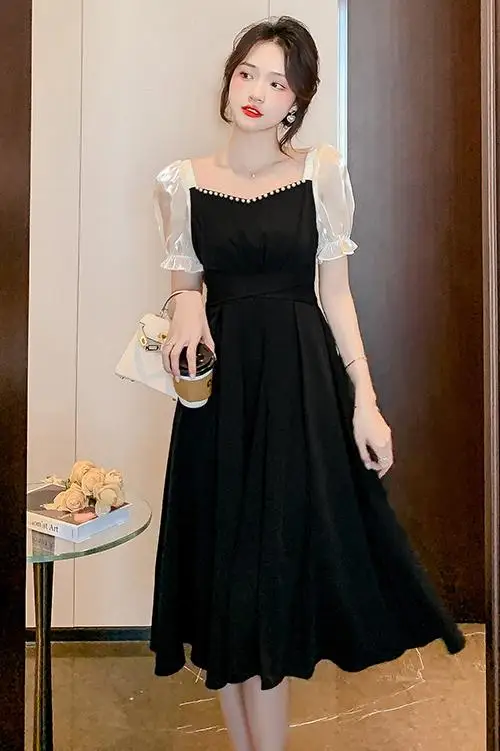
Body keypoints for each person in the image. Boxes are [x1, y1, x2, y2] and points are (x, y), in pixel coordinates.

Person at [150, 16, 465, 751]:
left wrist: (366, 401)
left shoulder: (320, 172)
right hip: (218, 403)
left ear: (297, 100)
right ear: (229, 80)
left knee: (270, 578)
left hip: (297, 390)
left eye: (277, 81)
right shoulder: (180, 181)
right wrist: (185, 303)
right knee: (224, 579)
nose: (257, 91)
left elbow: (337, 294)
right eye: (247, 73)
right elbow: (182, 284)